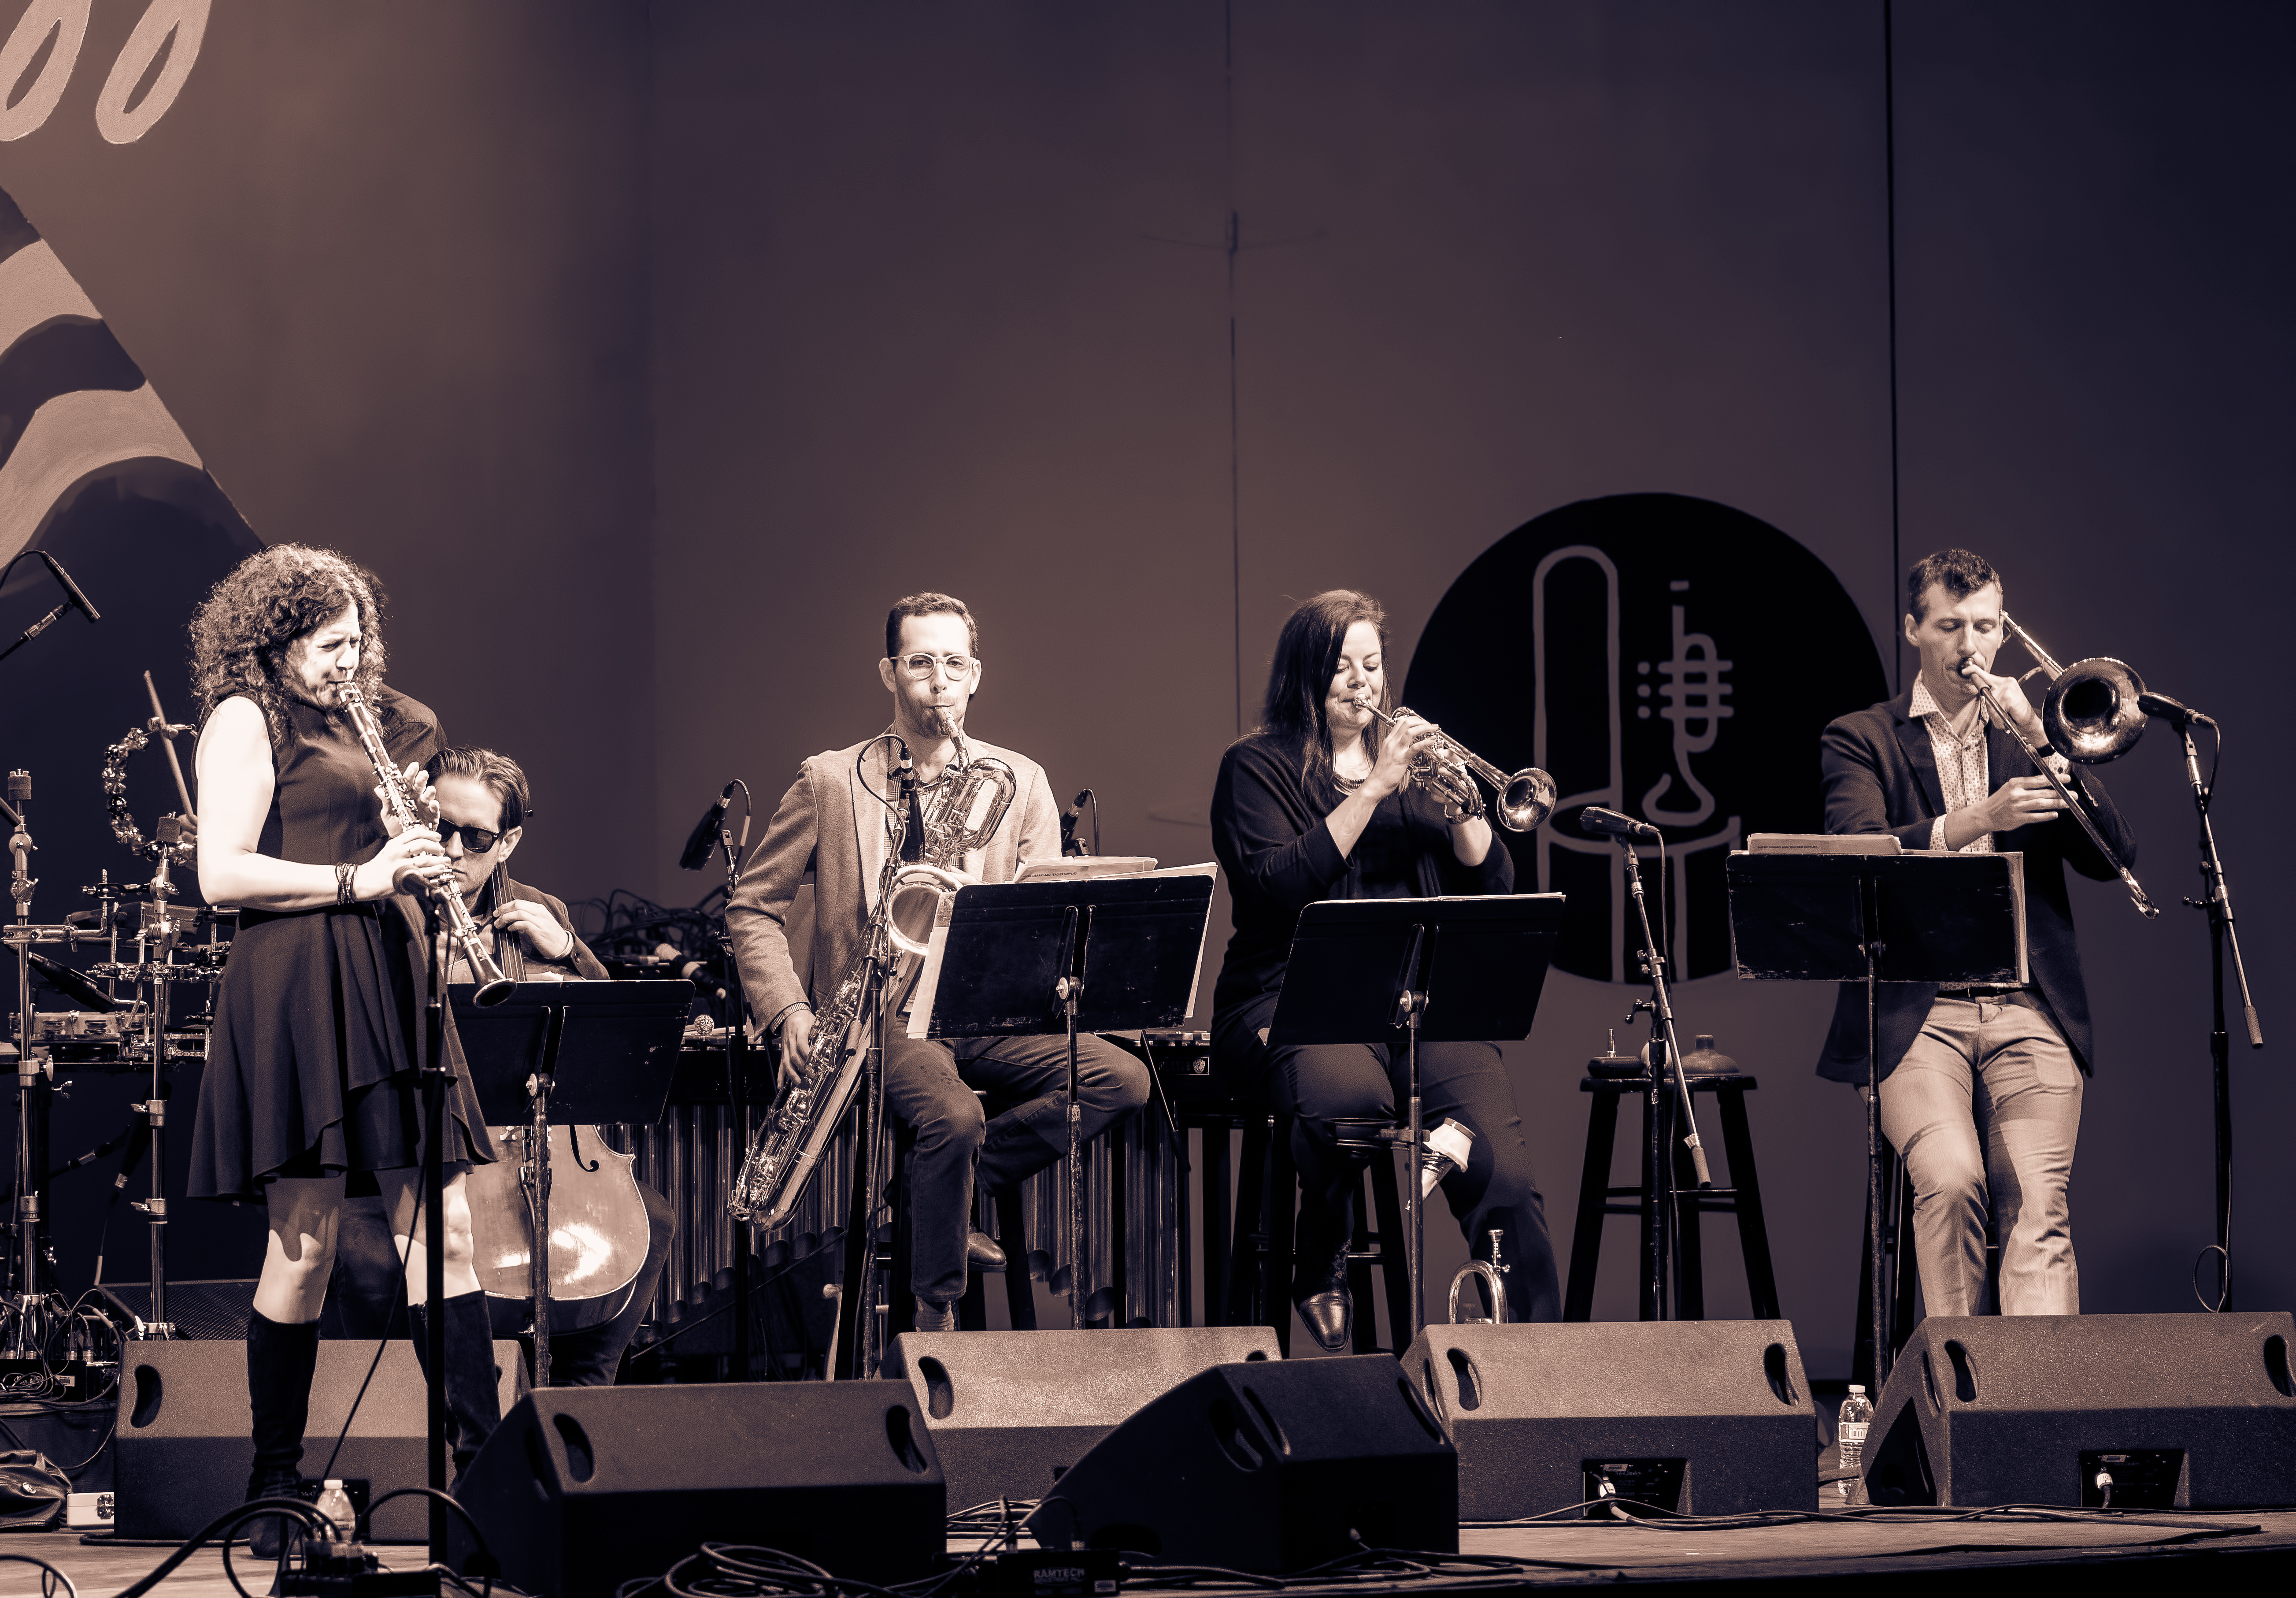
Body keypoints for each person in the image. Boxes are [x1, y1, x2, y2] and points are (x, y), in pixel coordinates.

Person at [183, 547, 496, 1555]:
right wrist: (364, 877)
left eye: (359, 640)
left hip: (391, 969)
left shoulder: (391, 717)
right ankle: (275, 1481)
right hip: (298, 976)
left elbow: (410, 829)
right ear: (273, 643)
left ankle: (483, 1480)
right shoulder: (249, 717)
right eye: (328, 646)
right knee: (305, 1240)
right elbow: (220, 875)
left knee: (442, 1229)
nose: (348, 661)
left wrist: (416, 840)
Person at [727, 592, 1150, 1331]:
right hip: (880, 1017)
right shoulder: (829, 780)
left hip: (986, 1010)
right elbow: (752, 906)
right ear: (889, 672)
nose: (939, 680)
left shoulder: (1021, 780)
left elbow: (1046, 916)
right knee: (952, 1116)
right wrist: (787, 1010)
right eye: (921, 663)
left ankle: (942, 1193)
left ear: (976, 675)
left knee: (1122, 1079)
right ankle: (936, 1319)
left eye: (954, 663)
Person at [1209, 589, 1560, 1348]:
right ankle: (1321, 1246)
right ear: (1305, 674)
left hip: (1417, 1004)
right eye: (1341, 668)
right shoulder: (1256, 768)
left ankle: (1540, 1370)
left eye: (1372, 665)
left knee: (1502, 1173)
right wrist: (1373, 788)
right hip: (1288, 1001)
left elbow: (1493, 887)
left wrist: (1466, 809)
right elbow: (1277, 887)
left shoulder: (1418, 773)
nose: (1361, 683)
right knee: (1350, 1109)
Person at [1819, 549, 2136, 1317]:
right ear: (1913, 630)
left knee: (2036, 1205)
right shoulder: (1863, 737)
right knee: (1954, 1180)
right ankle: (1959, 1410)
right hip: (1916, 1015)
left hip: (2029, 1008)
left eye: (1987, 626)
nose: (1972, 646)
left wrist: (2048, 743)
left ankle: (2038, 1421)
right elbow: (1858, 848)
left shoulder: (2030, 738)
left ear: (2004, 630)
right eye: (1952, 626)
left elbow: (2115, 857)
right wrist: (1976, 822)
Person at [322, 747, 676, 1388]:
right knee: (364, 1256)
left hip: (537, 1166)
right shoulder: (383, 903)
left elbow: (613, 1040)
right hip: (413, 1167)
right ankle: (401, 1427)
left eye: (478, 837)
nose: (456, 851)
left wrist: (567, 949)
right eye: (442, 830)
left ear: (508, 840)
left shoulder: (541, 909)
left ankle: (581, 1397)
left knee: (653, 1221)